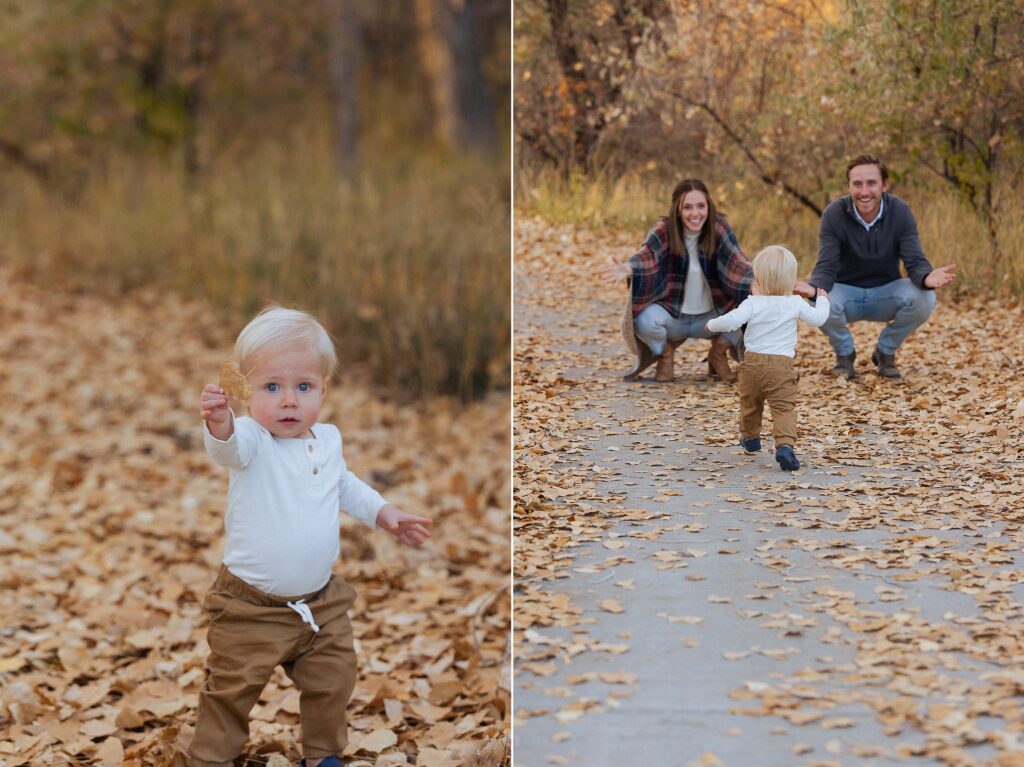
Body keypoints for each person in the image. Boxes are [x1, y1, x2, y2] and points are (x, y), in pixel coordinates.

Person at [191, 306, 432, 767]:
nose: (288, 401)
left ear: (324, 388)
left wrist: (384, 513)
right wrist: (219, 422)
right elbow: (227, 450)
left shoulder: (328, 439)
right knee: (230, 690)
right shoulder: (252, 439)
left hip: (320, 601)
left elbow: (343, 484)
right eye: (271, 387)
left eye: (303, 387)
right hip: (250, 606)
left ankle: (323, 755)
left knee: (334, 676)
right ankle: (208, 759)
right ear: (244, 391)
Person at [794, 154, 956, 379]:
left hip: (885, 293)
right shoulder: (834, 213)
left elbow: (914, 258)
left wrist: (926, 277)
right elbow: (826, 265)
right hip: (846, 294)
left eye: (871, 183)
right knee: (817, 300)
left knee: (925, 298)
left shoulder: (900, 211)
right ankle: (845, 354)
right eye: (857, 184)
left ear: (884, 185)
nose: (864, 191)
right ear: (848, 186)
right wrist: (814, 289)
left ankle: (885, 352)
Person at [603, 178, 753, 383]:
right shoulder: (664, 230)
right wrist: (629, 268)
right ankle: (665, 354)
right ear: (677, 210)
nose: (695, 213)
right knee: (642, 319)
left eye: (701, 206)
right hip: (673, 317)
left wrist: (758, 281)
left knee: (748, 310)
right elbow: (647, 254)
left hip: (712, 318)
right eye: (687, 207)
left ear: (708, 206)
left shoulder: (718, 227)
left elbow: (737, 261)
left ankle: (718, 354)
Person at [707, 246, 829, 471]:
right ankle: (785, 446)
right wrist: (822, 300)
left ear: (759, 279)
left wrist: (712, 324)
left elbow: (731, 321)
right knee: (783, 409)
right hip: (781, 368)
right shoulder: (795, 302)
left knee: (750, 404)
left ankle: (751, 439)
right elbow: (819, 319)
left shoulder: (752, 303)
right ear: (791, 280)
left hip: (752, 365)